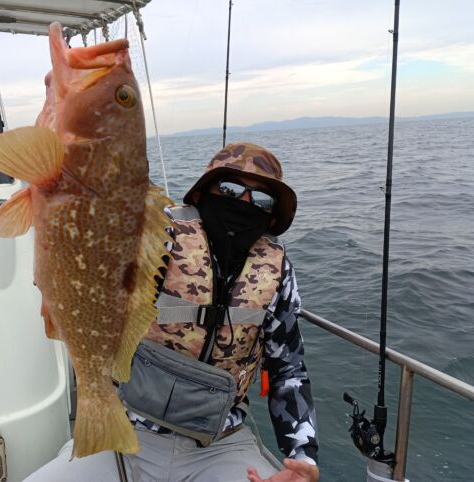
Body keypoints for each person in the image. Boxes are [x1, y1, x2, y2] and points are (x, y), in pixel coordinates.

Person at [24, 143, 319, 482]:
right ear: (204, 192)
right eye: (229, 189)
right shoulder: (157, 233)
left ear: (272, 213)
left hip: (220, 442)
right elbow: (98, 237)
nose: (244, 202)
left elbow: (288, 370)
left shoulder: (277, 269)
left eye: (261, 199)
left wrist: (303, 457)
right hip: (127, 425)